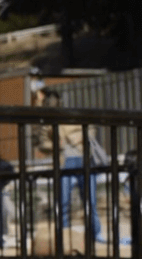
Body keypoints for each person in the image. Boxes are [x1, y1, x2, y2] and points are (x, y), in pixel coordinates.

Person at [41, 88, 102, 249]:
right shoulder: (46, 124)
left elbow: (91, 129)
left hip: (84, 158)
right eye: (48, 102)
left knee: (90, 201)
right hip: (63, 161)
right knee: (63, 202)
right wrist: (55, 145)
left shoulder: (72, 114)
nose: (51, 104)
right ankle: (64, 239)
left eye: (53, 101)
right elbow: (42, 143)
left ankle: (95, 236)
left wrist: (79, 137)